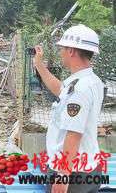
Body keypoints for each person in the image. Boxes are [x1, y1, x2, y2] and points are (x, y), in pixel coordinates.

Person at [33, 24, 105, 193]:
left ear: (71, 51)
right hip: (85, 168)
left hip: (72, 175)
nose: (61, 53)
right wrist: (39, 65)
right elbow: (61, 90)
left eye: (63, 48)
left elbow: (74, 134)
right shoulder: (89, 81)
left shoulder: (80, 89)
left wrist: (63, 174)